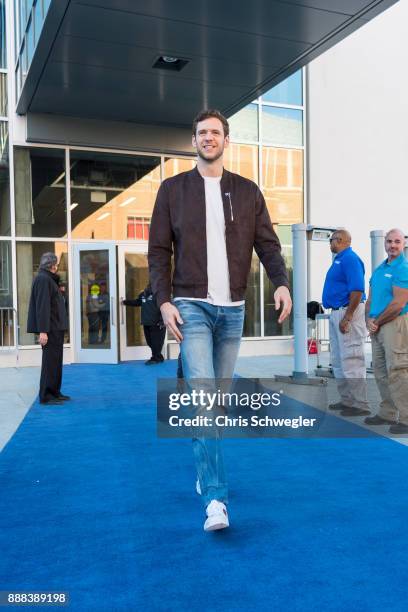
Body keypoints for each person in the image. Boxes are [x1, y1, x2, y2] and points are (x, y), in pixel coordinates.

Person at [148, 108, 292, 531]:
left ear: (226, 140)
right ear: (193, 141)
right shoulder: (172, 190)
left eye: (215, 132)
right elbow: (158, 252)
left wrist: (281, 283)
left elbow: (268, 245)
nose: (208, 138)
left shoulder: (247, 192)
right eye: (201, 133)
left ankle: (203, 464)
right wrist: (163, 300)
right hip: (190, 306)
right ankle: (215, 500)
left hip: (232, 312)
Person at [364, 229, 408, 434]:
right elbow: (371, 298)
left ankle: (406, 418)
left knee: (398, 371)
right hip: (377, 325)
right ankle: (387, 412)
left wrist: (377, 321)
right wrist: (368, 320)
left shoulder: (403, 268)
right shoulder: (380, 269)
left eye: (397, 242)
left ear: (403, 243)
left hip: (395, 324)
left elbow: (399, 303)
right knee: (381, 372)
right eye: (389, 241)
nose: (392, 245)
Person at [322, 229, 370, 417]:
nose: (330, 243)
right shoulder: (339, 259)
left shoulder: (350, 259)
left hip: (346, 312)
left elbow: (357, 290)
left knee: (352, 358)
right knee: (339, 360)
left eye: (331, 239)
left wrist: (348, 317)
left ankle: (361, 404)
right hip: (337, 312)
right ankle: (348, 400)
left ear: (340, 240)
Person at [27, 252, 70, 405]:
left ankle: (55, 392)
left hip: (55, 327)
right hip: (50, 329)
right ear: (51, 265)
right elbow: (42, 307)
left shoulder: (48, 279)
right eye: (56, 263)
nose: (57, 266)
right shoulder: (43, 279)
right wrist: (43, 331)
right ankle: (46, 395)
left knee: (56, 362)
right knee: (49, 363)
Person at [123, 284, 165, 365]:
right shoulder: (143, 294)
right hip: (146, 322)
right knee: (150, 342)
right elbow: (138, 302)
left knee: (156, 342)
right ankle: (159, 357)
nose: (149, 287)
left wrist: (162, 321)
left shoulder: (159, 294)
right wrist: (125, 302)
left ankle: (155, 358)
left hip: (157, 323)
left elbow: (164, 308)